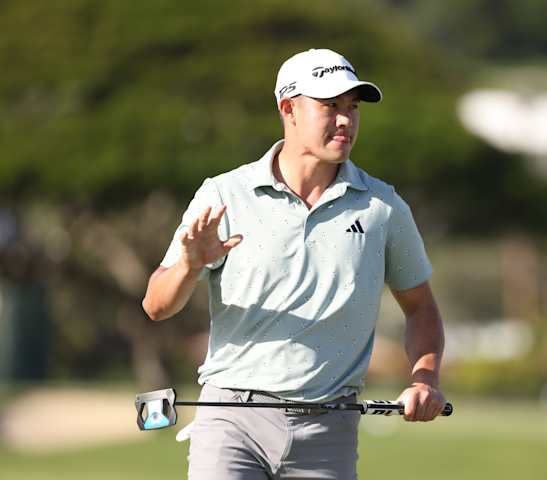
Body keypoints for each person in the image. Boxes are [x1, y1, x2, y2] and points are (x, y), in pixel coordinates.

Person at [141, 48, 446, 479]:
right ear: (289, 108)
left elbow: (421, 307)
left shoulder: (382, 207)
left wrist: (425, 379)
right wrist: (189, 265)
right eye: (330, 106)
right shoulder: (224, 194)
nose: (346, 120)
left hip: (328, 430)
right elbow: (156, 305)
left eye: (352, 108)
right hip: (231, 420)